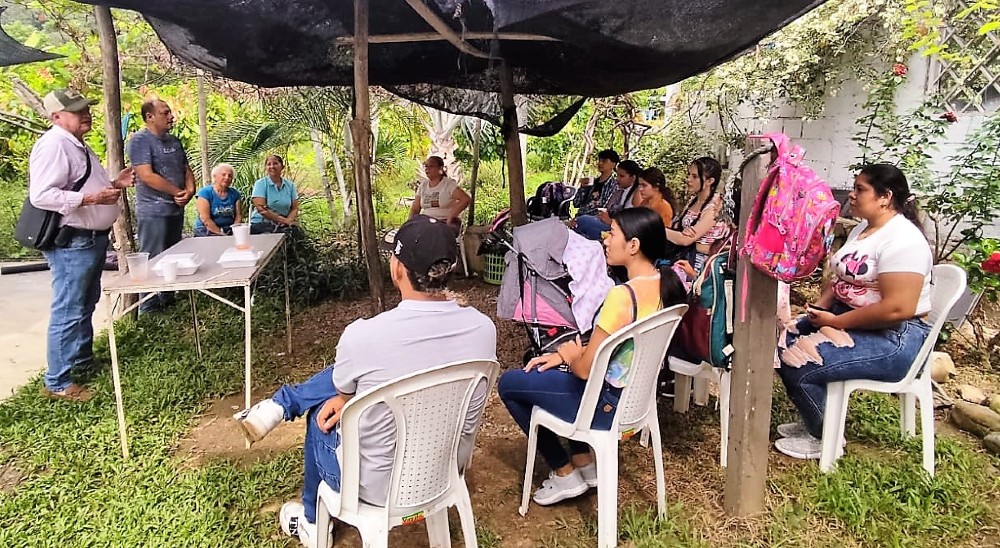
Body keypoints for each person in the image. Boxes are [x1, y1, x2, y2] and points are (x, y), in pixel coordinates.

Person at [233, 215, 497, 547]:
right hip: (445, 469)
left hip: (374, 486)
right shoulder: (483, 329)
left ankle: (314, 523)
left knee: (321, 419)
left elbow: (342, 386)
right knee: (360, 378)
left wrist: (345, 399)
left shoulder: (364, 336)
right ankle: (281, 404)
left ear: (398, 268)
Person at [498, 208, 687, 506]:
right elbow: (611, 350)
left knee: (509, 383)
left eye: (612, 234)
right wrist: (563, 357)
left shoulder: (621, 296)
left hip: (603, 405)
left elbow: (584, 370)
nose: (605, 240)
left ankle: (564, 472)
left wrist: (571, 357)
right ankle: (585, 462)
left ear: (633, 246)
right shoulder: (666, 285)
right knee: (554, 371)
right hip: (632, 399)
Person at [775, 164, 932, 460]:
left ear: (885, 197)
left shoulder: (903, 241)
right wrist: (822, 305)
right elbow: (842, 278)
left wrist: (836, 321)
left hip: (896, 338)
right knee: (783, 338)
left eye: (860, 189)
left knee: (800, 360)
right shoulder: (863, 229)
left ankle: (826, 437)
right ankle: (815, 418)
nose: (852, 194)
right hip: (853, 320)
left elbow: (897, 308)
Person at [29, 89, 134, 401]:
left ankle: (81, 360)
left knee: (85, 302)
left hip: (90, 240)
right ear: (56, 117)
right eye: (77, 110)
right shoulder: (53, 145)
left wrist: (114, 185)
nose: (85, 113)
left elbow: (84, 184)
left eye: (86, 107)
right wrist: (91, 198)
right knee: (69, 308)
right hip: (71, 241)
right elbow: (42, 195)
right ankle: (58, 382)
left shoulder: (77, 145)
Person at [127, 98, 195, 313]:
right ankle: (147, 307)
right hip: (153, 210)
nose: (170, 116)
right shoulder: (140, 141)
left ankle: (168, 299)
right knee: (152, 257)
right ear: (150, 117)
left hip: (175, 208)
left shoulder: (174, 141)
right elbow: (146, 175)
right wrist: (176, 192)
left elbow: (186, 168)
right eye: (165, 113)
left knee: (172, 256)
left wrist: (190, 191)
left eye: (169, 112)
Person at [665, 156, 730, 274]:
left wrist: (659, 229)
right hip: (684, 258)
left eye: (694, 176)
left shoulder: (714, 207)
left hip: (699, 266)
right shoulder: (694, 201)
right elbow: (680, 232)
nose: (688, 179)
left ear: (710, 181)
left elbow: (685, 240)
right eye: (689, 175)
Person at [573, 159, 641, 240]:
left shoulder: (636, 193)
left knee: (582, 221)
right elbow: (576, 203)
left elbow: (633, 222)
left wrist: (611, 221)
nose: (618, 179)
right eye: (617, 175)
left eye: (622, 176)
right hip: (608, 222)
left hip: (620, 230)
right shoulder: (621, 191)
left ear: (633, 178)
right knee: (580, 222)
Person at [408, 155, 470, 235]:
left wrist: (451, 216)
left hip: (445, 222)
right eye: (426, 166)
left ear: (440, 168)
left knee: (434, 233)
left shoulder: (448, 184)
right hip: (426, 222)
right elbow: (415, 209)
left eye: (431, 166)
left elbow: (465, 199)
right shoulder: (423, 185)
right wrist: (409, 224)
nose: (427, 169)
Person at [250, 154, 300, 234]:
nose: (272, 166)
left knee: (297, 234)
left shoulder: (290, 185)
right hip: (262, 223)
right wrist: (283, 220)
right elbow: (262, 209)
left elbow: (294, 208)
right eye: (269, 164)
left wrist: (288, 221)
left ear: (282, 167)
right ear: (266, 168)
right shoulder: (260, 184)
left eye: (275, 163)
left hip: (283, 224)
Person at [193, 163, 242, 236]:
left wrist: (235, 232)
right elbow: (205, 219)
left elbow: (238, 216)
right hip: (206, 229)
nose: (227, 178)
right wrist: (221, 234)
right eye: (223, 175)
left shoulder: (235, 194)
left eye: (230, 176)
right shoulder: (205, 193)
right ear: (214, 176)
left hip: (228, 229)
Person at [572, 148, 620, 218]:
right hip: (579, 217)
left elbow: (604, 208)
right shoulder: (592, 182)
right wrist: (582, 187)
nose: (600, 163)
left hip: (595, 218)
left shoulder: (613, 185)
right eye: (599, 160)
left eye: (604, 161)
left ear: (613, 164)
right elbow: (576, 203)